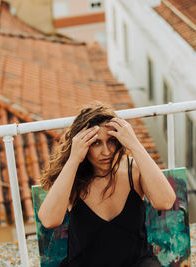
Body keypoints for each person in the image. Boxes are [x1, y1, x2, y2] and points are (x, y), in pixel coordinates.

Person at [38, 102, 176, 267]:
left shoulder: (134, 170)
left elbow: (166, 201)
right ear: (84, 144)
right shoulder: (72, 178)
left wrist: (134, 144)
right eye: (96, 143)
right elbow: (48, 220)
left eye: (111, 140)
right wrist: (74, 158)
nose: (107, 151)